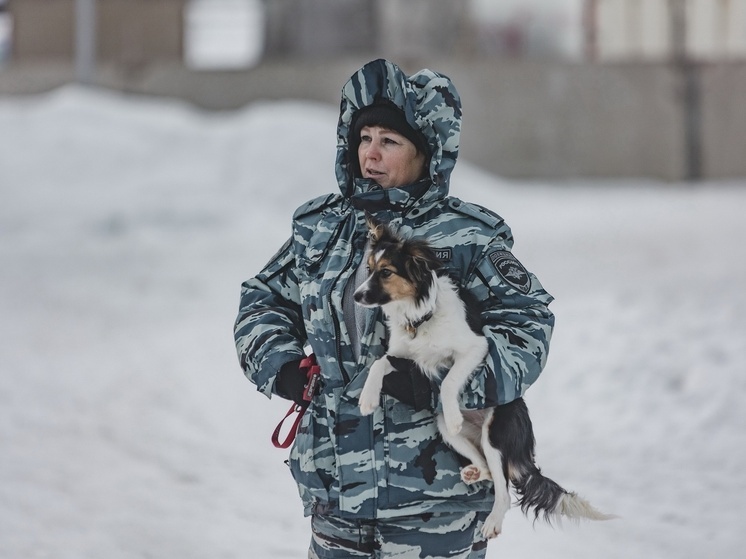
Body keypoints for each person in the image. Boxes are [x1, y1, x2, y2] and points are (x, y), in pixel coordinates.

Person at [234, 59, 554, 558]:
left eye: (390, 142)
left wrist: (449, 380)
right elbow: (264, 300)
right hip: (336, 491)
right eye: (365, 138)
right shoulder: (322, 228)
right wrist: (280, 367)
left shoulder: (465, 236)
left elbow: (527, 321)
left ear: (427, 154)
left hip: (438, 496)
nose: (372, 154)